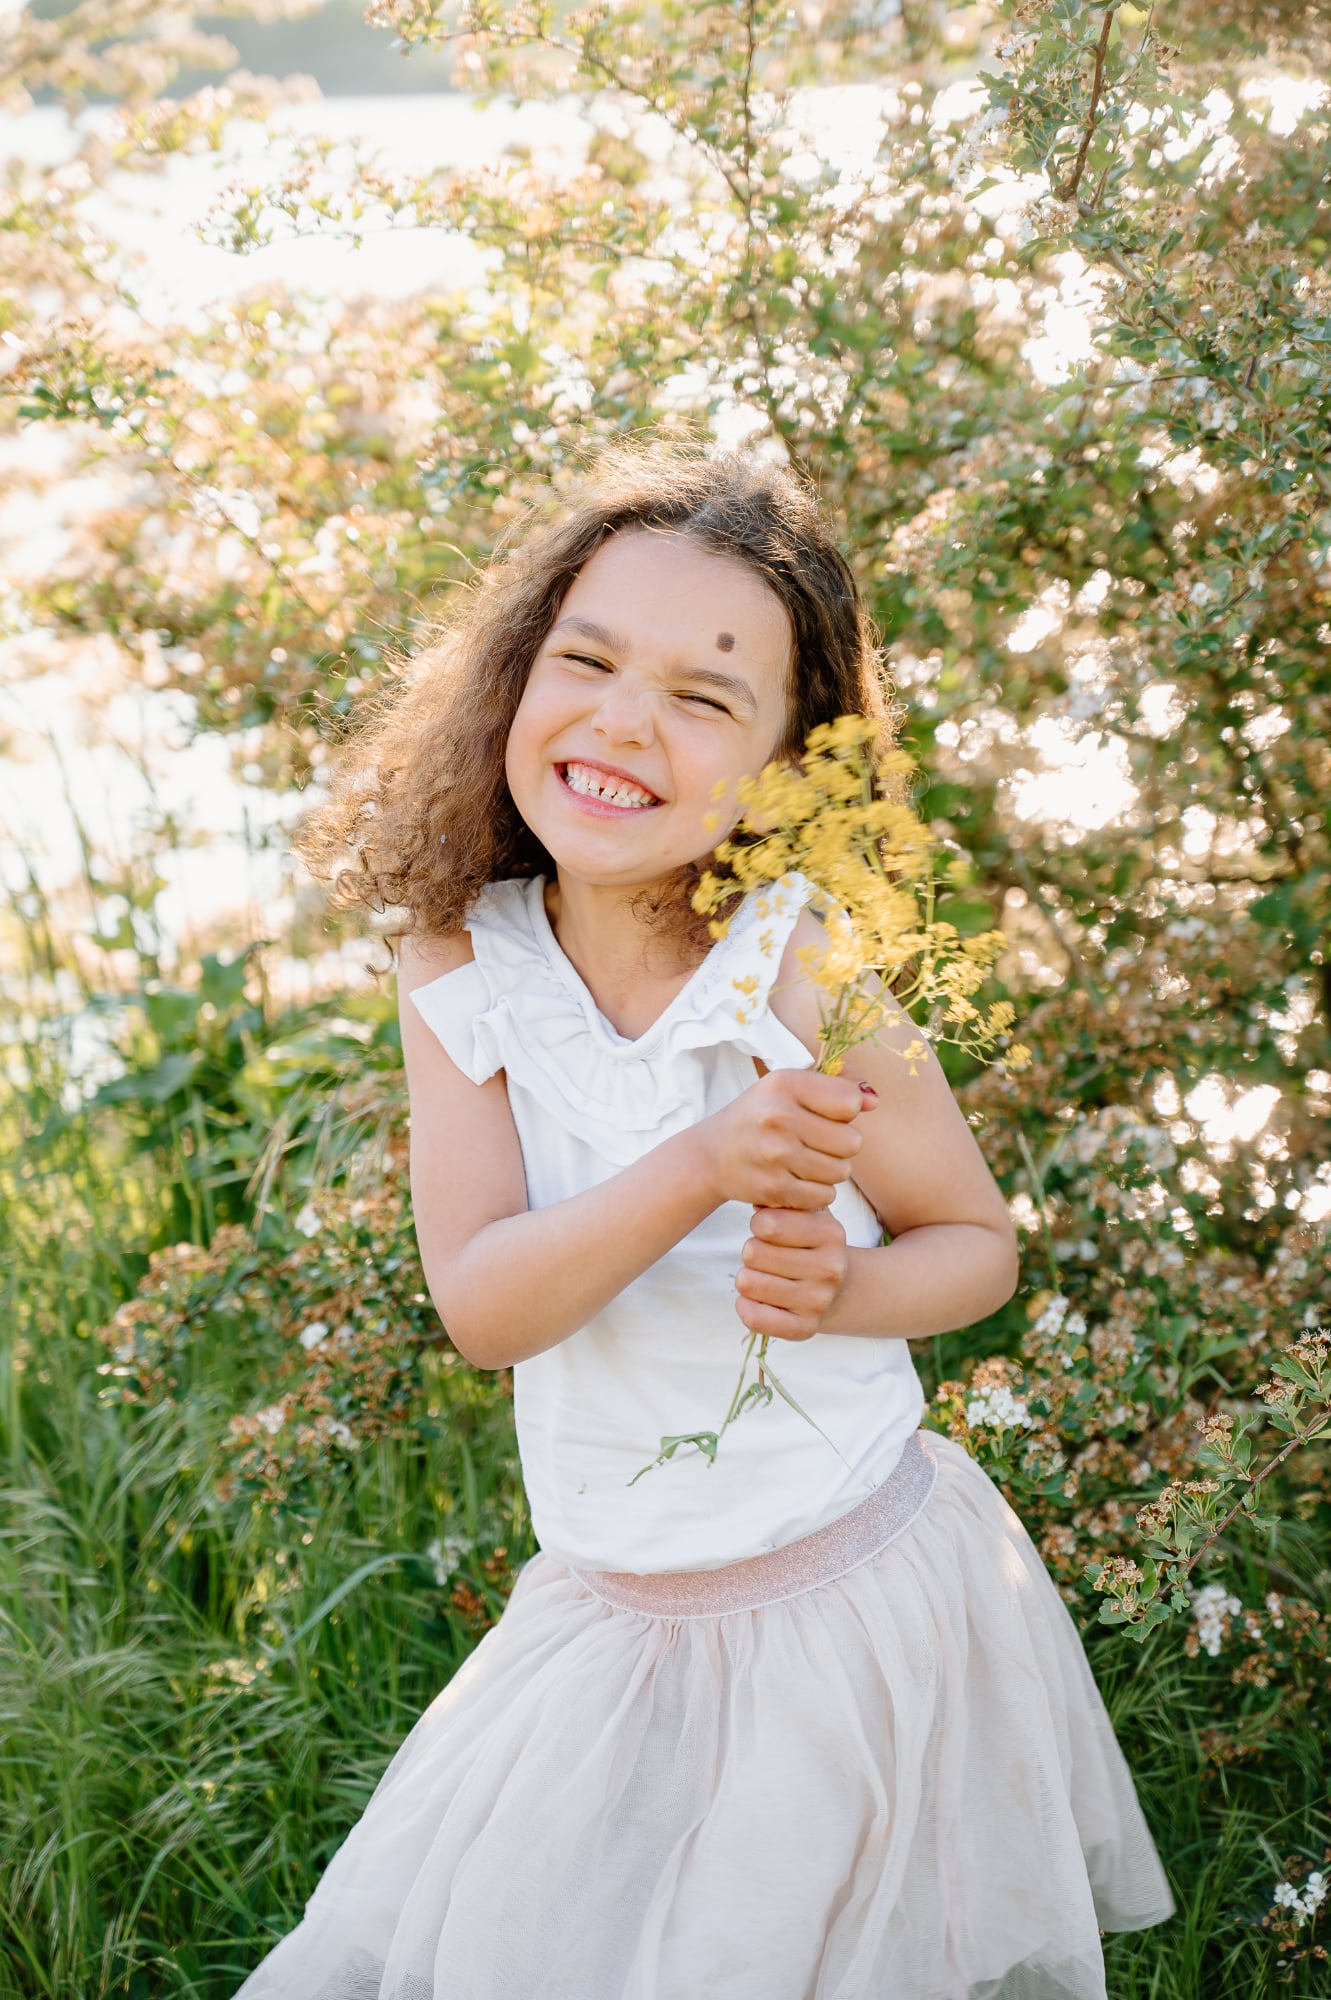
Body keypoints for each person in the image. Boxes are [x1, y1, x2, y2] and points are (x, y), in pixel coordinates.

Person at [232, 436, 1175, 1999]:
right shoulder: (460, 959)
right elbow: (483, 1305)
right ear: (516, 678)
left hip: (848, 1600)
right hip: (613, 1604)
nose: (621, 722)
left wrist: (842, 1293)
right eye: (586, 659)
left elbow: (973, 1244)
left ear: (790, 764)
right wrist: (700, 1168)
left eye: (704, 696)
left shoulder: (802, 968)